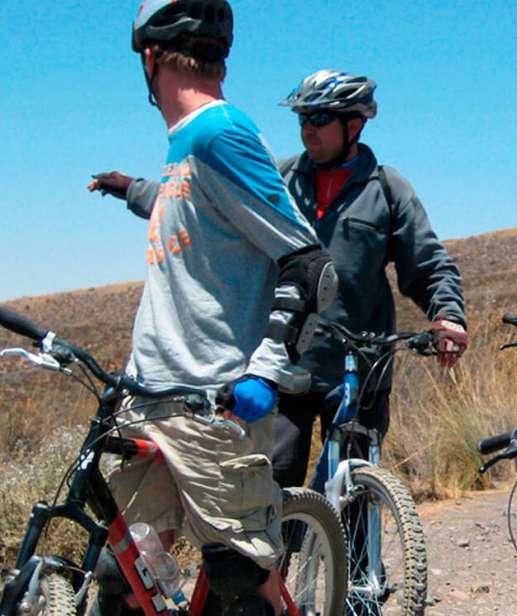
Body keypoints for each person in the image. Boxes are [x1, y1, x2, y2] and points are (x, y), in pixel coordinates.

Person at [86, 1, 335, 614]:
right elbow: (203, 222)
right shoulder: (183, 149)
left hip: (210, 409)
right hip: (148, 402)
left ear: (149, 57)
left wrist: (265, 368)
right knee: (125, 584)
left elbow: (310, 266)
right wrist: (129, 190)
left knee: (240, 587)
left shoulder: (220, 132)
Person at [268, 69, 467, 489]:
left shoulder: (386, 189)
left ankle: (358, 558)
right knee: (272, 492)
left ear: (353, 124)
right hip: (286, 363)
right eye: (303, 119)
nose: (308, 131)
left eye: (319, 120)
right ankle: (278, 558)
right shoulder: (281, 181)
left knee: (353, 494)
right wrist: (138, 191)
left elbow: (427, 264)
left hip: (360, 367)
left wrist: (447, 314)